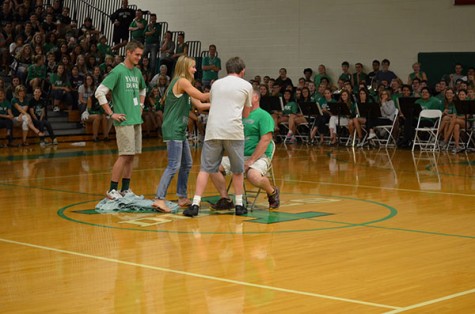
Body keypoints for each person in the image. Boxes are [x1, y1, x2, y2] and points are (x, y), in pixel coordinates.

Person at [185, 56, 253, 217]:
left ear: (226, 69)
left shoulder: (215, 84)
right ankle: (238, 205)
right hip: (234, 131)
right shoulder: (247, 86)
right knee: (237, 171)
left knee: (206, 169)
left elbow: (213, 104)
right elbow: (246, 113)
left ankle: (195, 204)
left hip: (213, 130)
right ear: (242, 71)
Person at [152, 55, 210, 213]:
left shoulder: (185, 85)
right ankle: (159, 198)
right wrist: (222, 91)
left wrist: (222, 102)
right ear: (185, 67)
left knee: (187, 163)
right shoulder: (182, 81)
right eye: (193, 67)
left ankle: (182, 197)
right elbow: (203, 96)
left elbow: (200, 105)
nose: (195, 69)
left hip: (179, 129)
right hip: (173, 128)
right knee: (173, 165)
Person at [210, 89, 280, 210]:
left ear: (256, 98)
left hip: (259, 157)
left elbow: (266, 140)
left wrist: (251, 160)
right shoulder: (239, 115)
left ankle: (272, 192)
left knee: (253, 176)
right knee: (211, 166)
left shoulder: (264, 116)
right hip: (239, 155)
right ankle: (225, 199)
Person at [94, 40, 147, 200]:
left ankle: (125, 189)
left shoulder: (137, 72)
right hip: (124, 120)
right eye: (137, 54)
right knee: (124, 155)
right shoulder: (117, 71)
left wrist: (141, 105)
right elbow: (99, 92)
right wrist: (111, 114)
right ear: (128, 53)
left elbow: (143, 88)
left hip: (136, 119)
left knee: (131, 156)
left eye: (140, 55)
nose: (139, 57)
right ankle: (112, 190)